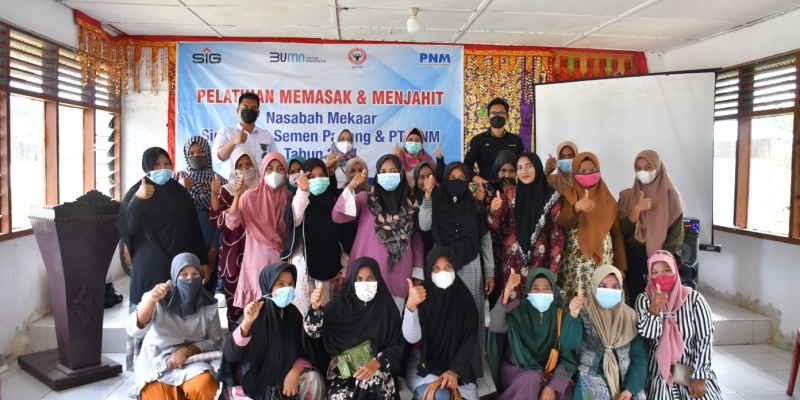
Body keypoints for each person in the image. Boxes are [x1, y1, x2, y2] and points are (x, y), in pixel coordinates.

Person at [118, 147, 210, 371]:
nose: (163, 169)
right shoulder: (136, 192)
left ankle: (175, 364)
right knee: (148, 309)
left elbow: (194, 228)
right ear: (147, 167)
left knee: (177, 313)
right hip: (149, 267)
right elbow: (126, 228)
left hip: (180, 266)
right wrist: (138, 200)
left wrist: (203, 260)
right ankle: (143, 369)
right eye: (156, 165)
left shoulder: (179, 192)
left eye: (167, 164)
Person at [418, 161, 494, 378]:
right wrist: (427, 196)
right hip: (442, 268)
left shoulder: (475, 205)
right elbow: (424, 225)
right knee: (443, 314)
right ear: (444, 180)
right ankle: (443, 367)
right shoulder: (436, 202)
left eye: (462, 178)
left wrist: (489, 272)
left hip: (471, 265)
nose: (457, 182)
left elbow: (485, 240)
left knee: (472, 316)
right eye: (452, 178)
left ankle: (471, 370)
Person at [218, 262, 326, 400]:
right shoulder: (254, 312)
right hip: (254, 381)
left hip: (285, 378)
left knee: (314, 378)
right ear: (267, 286)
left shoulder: (293, 314)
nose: (287, 289)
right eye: (280, 284)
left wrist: (295, 372)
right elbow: (232, 355)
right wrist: (247, 323)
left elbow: (304, 349)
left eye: (290, 284)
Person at [332, 154, 424, 311]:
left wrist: (417, 273)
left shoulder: (411, 204)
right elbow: (338, 216)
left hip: (398, 275)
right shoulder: (365, 199)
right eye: (383, 172)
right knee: (362, 321)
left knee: (393, 321)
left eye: (393, 171)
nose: (388, 175)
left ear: (401, 174)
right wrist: (351, 186)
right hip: (364, 277)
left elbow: (416, 241)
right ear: (377, 175)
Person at [304, 257, 405, 399]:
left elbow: (397, 346)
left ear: (378, 279)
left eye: (370, 278)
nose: (365, 284)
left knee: (373, 383)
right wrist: (315, 308)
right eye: (359, 279)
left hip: (377, 369)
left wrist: (378, 362)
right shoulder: (340, 305)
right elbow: (314, 332)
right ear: (352, 281)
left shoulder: (386, 309)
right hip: (344, 373)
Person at [127, 253, 223, 400]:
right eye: (183, 275)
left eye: (195, 274)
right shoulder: (158, 297)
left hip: (191, 362)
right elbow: (135, 330)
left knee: (205, 386)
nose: (190, 279)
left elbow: (215, 340)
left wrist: (187, 350)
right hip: (157, 361)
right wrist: (151, 301)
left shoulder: (208, 303)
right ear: (174, 276)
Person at [635, 251, 721, 400]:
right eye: (655, 272)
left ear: (675, 271)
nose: (661, 276)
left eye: (666, 270)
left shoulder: (694, 300)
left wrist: (700, 377)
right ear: (649, 276)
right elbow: (648, 334)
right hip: (659, 376)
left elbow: (705, 340)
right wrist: (654, 308)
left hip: (690, 372)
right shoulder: (644, 299)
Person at [487, 268, 583, 400]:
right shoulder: (517, 309)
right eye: (536, 288)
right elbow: (496, 326)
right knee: (532, 380)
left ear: (553, 291)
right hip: (517, 368)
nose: (541, 292)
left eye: (547, 288)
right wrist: (507, 291)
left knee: (563, 387)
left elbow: (567, 354)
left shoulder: (559, 315)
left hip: (548, 370)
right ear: (528, 290)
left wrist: (552, 386)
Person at [403, 247, 480, 400]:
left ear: (455, 268)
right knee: (440, 395)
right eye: (436, 268)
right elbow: (412, 338)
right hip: (424, 363)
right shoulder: (420, 296)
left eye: (448, 266)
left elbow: (469, 340)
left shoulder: (465, 299)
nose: (442, 272)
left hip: (457, 365)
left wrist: (454, 370)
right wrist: (411, 307)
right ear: (428, 270)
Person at [487, 152, 564, 302]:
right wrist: (493, 210)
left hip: (540, 261)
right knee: (512, 306)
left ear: (537, 167)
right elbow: (495, 226)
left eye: (529, 166)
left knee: (538, 303)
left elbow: (556, 234)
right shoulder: (510, 195)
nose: (524, 171)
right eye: (520, 167)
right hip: (512, 262)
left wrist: (554, 268)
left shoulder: (552, 197)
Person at [225, 153, 290, 309]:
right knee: (257, 307)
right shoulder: (249, 196)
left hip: (282, 259)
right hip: (257, 258)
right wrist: (237, 196)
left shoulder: (290, 197)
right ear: (263, 171)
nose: (275, 173)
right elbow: (232, 222)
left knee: (280, 306)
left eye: (280, 169)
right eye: (270, 168)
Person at [282, 158, 347, 315]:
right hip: (304, 270)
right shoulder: (297, 198)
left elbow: (343, 237)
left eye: (322, 175)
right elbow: (295, 219)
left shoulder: (334, 200)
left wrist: (344, 271)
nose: (318, 180)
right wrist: (302, 192)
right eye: (312, 176)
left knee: (328, 317)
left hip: (332, 271)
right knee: (304, 317)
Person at [619, 150, 685, 301]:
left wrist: (660, 262)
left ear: (657, 168)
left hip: (662, 259)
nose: (643, 172)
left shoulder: (671, 197)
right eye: (638, 168)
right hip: (634, 259)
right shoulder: (627, 197)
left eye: (648, 167)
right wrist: (636, 210)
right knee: (637, 301)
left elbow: (676, 235)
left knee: (661, 300)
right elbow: (622, 232)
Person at [559, 152, 627, 299]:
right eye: (582, 171)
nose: (588, 174)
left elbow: (616, 234)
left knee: (601, 298)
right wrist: (576, 208)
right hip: (575, 264)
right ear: (575, 172)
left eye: (592, 170)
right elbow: (563, 222)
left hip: (604, 261)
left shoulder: (609, 200)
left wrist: (621, 266)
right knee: (575, 301)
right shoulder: (567, 196)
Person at [574, 265, 647, 400]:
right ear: (594, 287)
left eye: (615, 287)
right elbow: (569, 344)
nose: (609, 291)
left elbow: (640, 357)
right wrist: (572, 316)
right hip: (589, 377)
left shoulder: (631, 317)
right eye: (603, 286)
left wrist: (630, 390)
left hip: (626, 379)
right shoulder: (582, 312)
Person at [210, 146, 260, 329]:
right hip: (233, 255)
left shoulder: (263, 189)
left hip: (259, 255)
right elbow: (216, 220)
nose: (245, 169)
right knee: (235, 307)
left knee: (259, 304)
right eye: (240, 165)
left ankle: (259, 342)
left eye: (249, 164)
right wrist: (216, 194)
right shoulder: (226, 191)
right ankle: (236, 342)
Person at [174, 136, 228, 293]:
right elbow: (170, 213)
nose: (196, 156)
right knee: (184, 290)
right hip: (183, 245)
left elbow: (222, 219)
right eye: (191, 153)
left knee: (207, 291)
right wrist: (180, 190)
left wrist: (214, 250)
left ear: (208, 153)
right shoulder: (177, 179)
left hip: (211, 244)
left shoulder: (220, 181)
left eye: (200, 152)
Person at [212, 92, 279, 178]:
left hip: (260, 184)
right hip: (233, 184)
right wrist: (233, 141)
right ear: (238, 111)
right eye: (245, 107)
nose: (249, 111)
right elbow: (217, 158)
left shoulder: (266, 135)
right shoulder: (226, 132)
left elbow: (275, 160)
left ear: (258, 113)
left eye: (253, 108)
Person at [464, 98, 524, 184]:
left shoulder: (516, 140)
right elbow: (466, 167)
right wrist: (484, 183)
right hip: (486, 188)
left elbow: (522, 165)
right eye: (493, 113)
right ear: (488, 117)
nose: (497, 116)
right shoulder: (478, 140)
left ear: (507, 117)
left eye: (501, 113)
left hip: (510, 188)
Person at [484, 150, 517, 307]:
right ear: (497, 170)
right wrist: (492, 209)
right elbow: (480, 218)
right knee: (495, 298)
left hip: (515, 255)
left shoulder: (522, 191)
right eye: (503, 170)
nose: (507, 175)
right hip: (492, 253)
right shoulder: (487, 191)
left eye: (511, 171)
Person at [412, 161, 437, 259]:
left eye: (430, 176)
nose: (426, 181)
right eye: (422, 177)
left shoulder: (442, 196)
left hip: (439, 249)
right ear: (416, 179)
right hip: (418, 251)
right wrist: (427, 195)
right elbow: (423, 227)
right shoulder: (410, 199)